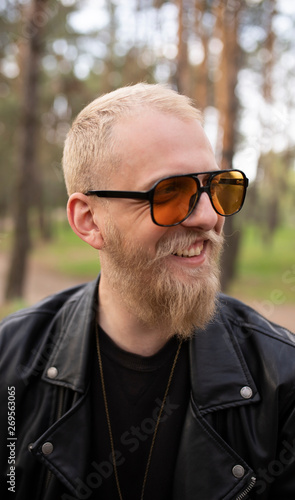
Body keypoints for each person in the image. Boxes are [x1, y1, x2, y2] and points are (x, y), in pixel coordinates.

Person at [0, 83, 295, 500]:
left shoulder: (282, 381)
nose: (209, 217)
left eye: (217, 186)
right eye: (171, 193)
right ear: (88, 220)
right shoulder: (10, 366)